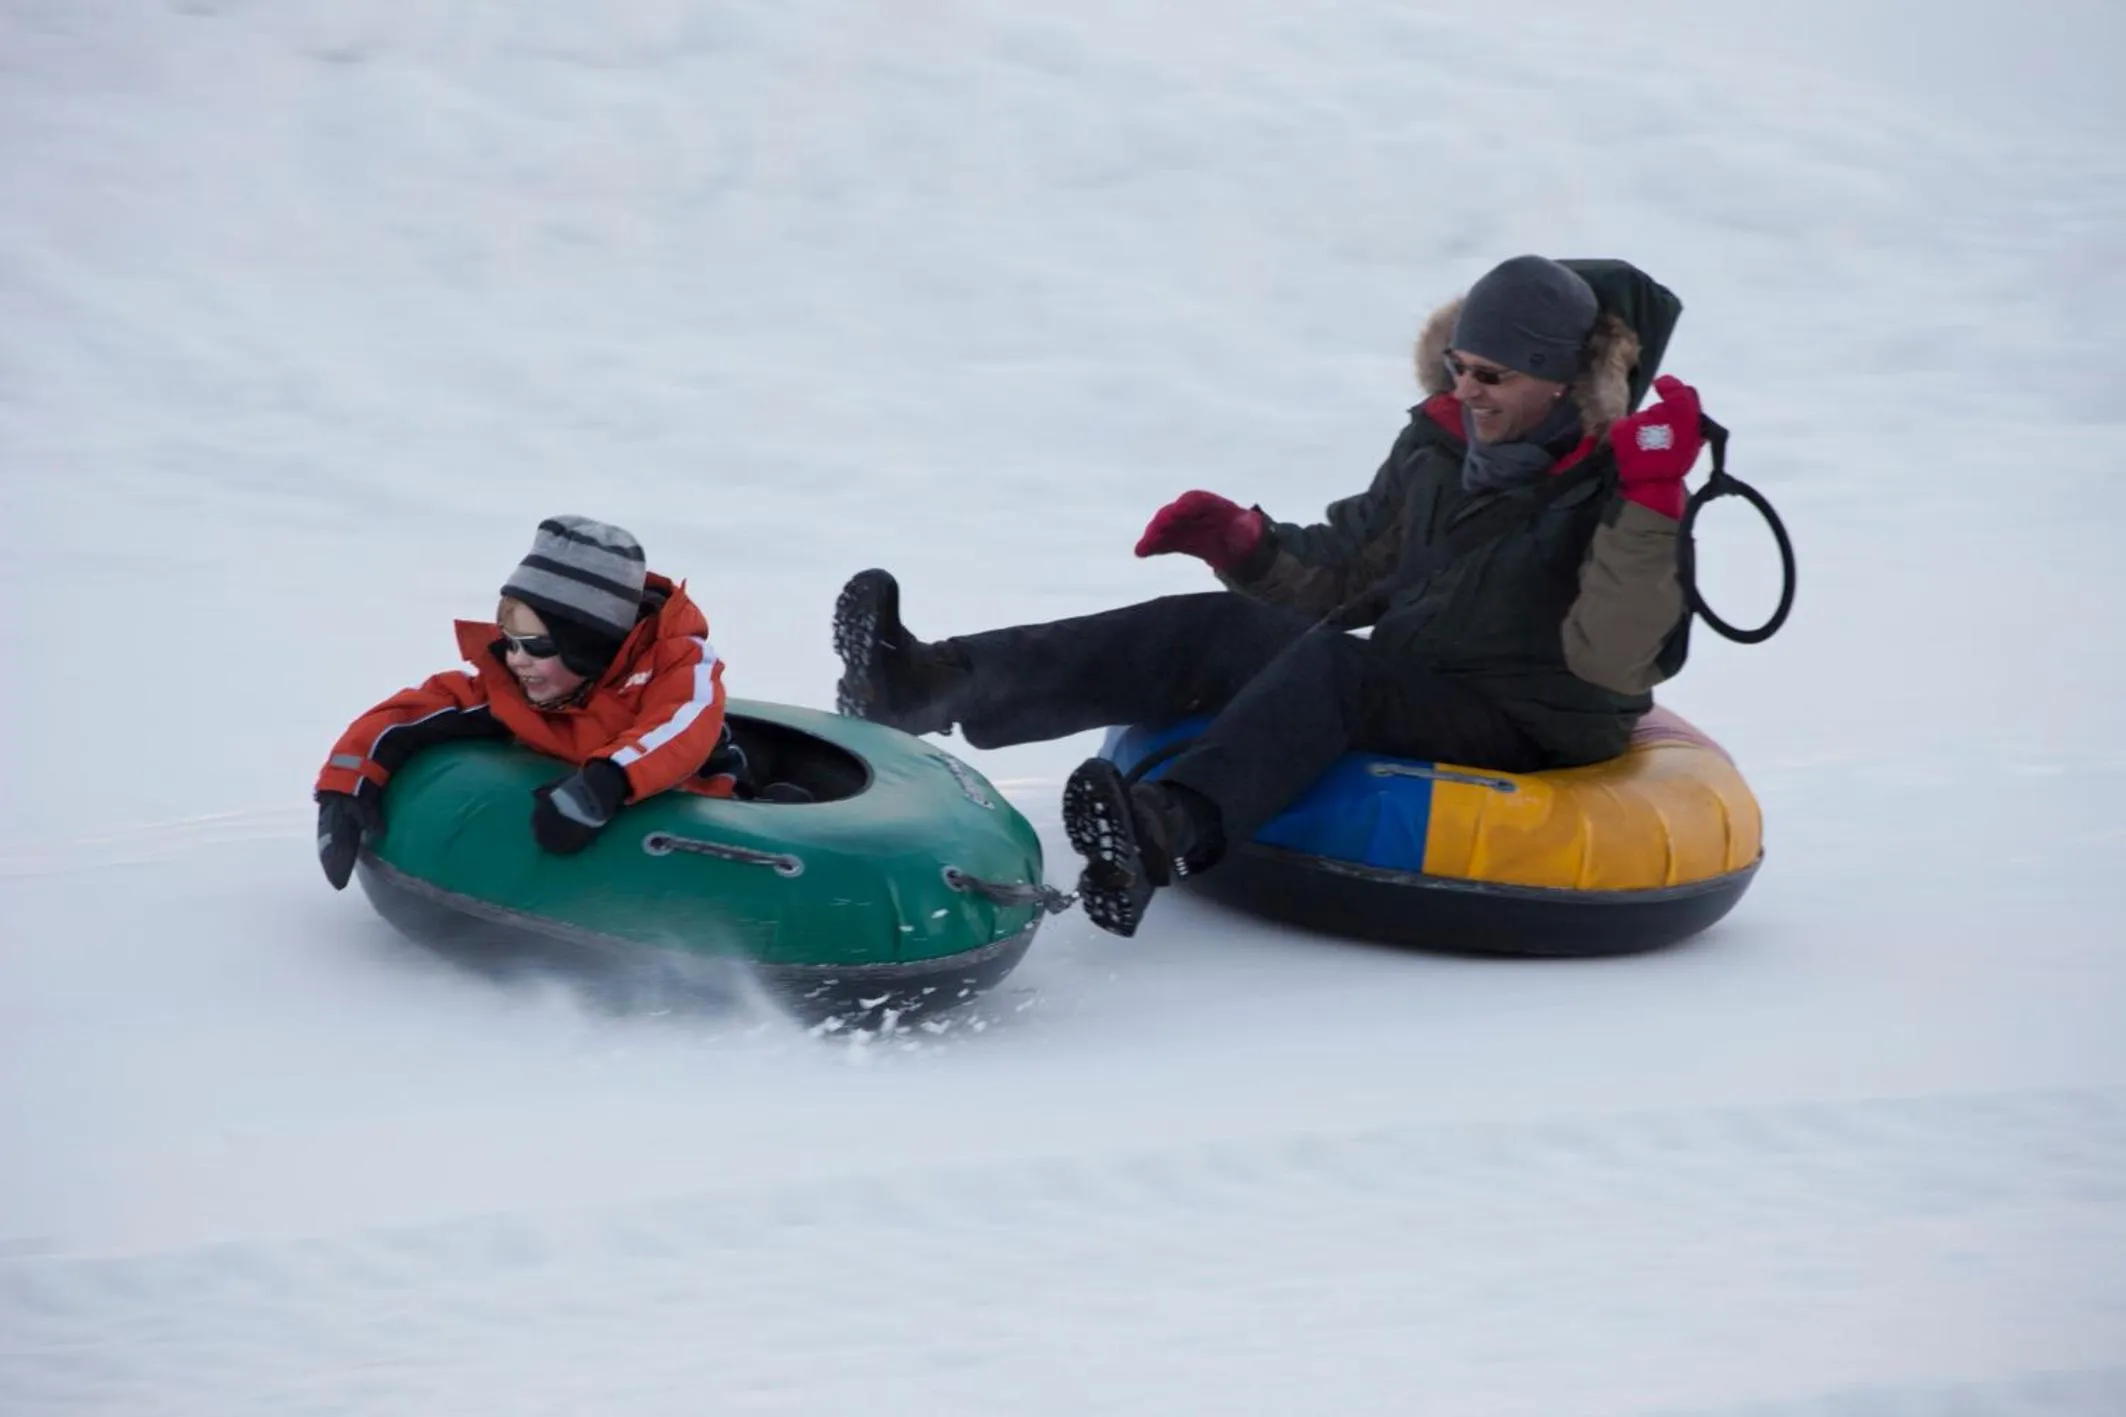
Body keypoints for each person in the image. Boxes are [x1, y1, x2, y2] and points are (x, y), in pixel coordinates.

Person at [833, 256, 1711, 938]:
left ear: (1561, 380)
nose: (1467, 392)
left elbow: (1613, 653)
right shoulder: (1444, 446)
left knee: (1335, 674)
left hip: (1532, 715)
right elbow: (1356, 567)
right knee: (1219, 626)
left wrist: (1651, 501)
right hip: (1423, 672)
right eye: (1459, 366)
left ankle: (1162, 829)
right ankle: (927, 682)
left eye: (1494, 376)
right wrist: (1246, 548)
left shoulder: (1624, 485)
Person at [313, 515, 734, 890]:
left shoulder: (677, 667)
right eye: (510, 642)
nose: (516, 660)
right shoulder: (517, 687)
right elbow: (413, 712)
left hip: (703, 804)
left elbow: (684, 721)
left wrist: (607, 781)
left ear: (584, 644)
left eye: (535, 646)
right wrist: (342, 787)